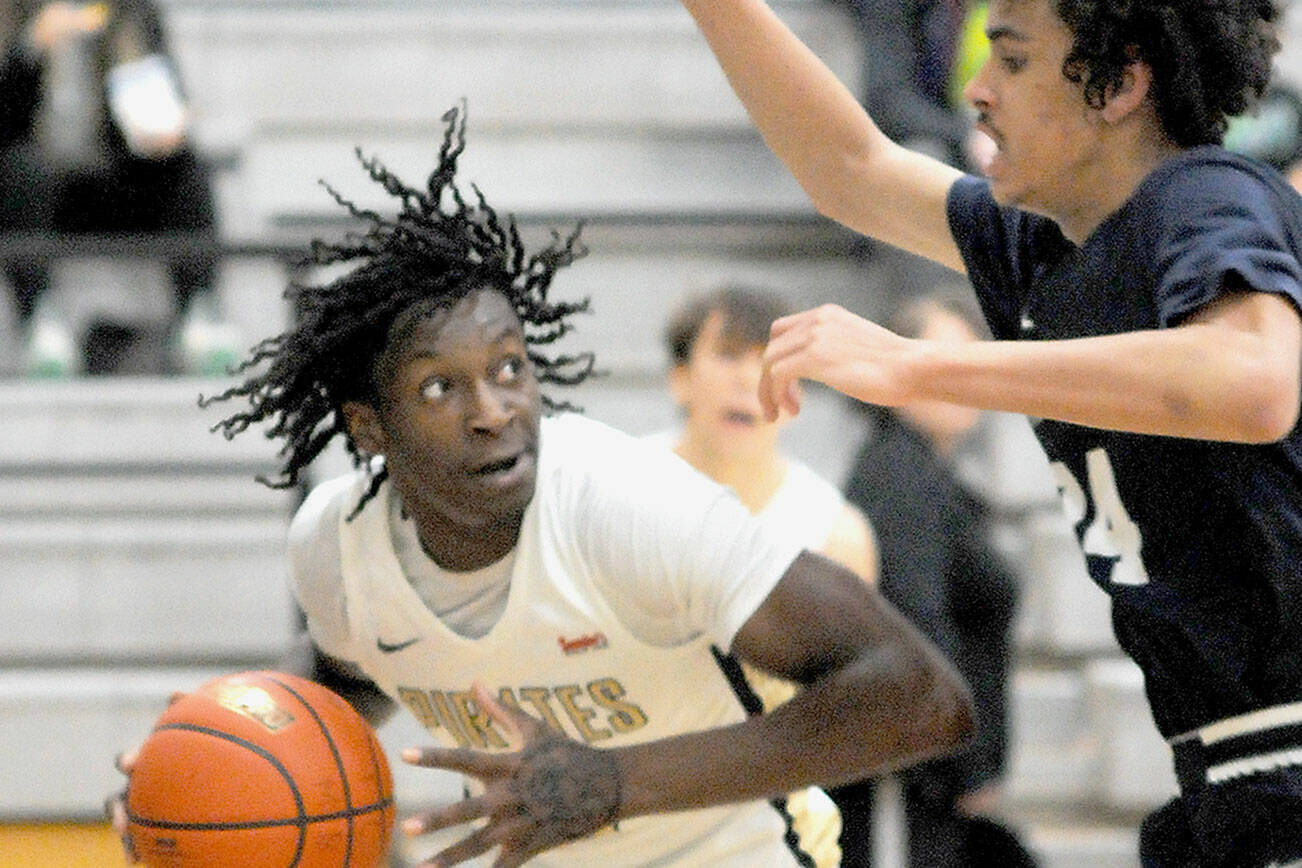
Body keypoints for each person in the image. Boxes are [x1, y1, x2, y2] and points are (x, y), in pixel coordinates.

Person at [108, 105, 974, 868]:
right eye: (441, 388)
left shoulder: (625, 503)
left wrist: (613, 782)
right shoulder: (335, 549)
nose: (494, 412)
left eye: (511, 369)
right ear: (369, 428)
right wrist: (195, 775)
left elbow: (923, 697)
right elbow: (350, 677)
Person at [675, 0, 1302, 864]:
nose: (975, 90)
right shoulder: (1044, 245)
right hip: (1228, 771)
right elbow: (849, 166)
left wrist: (920, 367)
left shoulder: (1205, 198)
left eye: (1010, 60)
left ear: (1120, 81)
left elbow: (1258, 381)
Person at [654, 284, 879, 868]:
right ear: (680, 378)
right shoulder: (618, 487)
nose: (747, 378)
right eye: (728, 355)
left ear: (795, 389)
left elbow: (848, 720)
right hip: (631, 804)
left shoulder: (837, 533)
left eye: (768, 358)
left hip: (768, 827)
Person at [835, 291, 1029, 868]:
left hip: (933, 770)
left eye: (966, 362)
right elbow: (915, 619)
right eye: (936, 359)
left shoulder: (925, 471)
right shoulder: (899, 476)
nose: (954, 378)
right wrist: (966, 761)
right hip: (918, 777)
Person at [0, 0, 224, 376]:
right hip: (37, 191)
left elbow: (165, 88)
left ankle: (200, 313)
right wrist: (29, 52)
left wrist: (166, 124)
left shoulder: (130, 12)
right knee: (21, 169)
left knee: (185, 167)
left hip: (114, 177)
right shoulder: (13, 12)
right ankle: (40, 321)